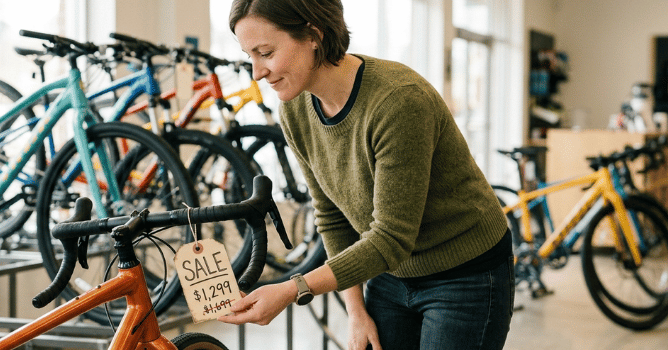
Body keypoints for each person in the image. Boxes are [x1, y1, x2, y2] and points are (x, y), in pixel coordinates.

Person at [217, 1, 514, 349]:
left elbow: (391, 238)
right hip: (390, 274)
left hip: (465, 274)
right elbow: (331, 215)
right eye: (248, 55)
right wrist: (355, 311)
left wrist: (292, 289)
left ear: (314, 34)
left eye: (265, 52)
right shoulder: (295, 108)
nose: (257, 72)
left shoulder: (398, 102)